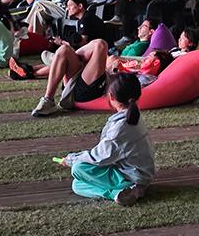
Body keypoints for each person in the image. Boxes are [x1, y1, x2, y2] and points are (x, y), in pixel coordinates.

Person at [60, 73, 155, 207]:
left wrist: (70, 159)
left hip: (130, 176)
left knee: (78, 168)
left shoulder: (121, 127)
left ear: (111, 96)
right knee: (77, 185)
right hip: (137, 173)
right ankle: (117, 194)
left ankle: (134, 188)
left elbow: (99, 157)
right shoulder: (133, 115)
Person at [31, 37, 111, 116]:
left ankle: (58, 59)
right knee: (64, 49)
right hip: (84, 77)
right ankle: (48, 99)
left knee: (101, 45)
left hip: (87, 91)